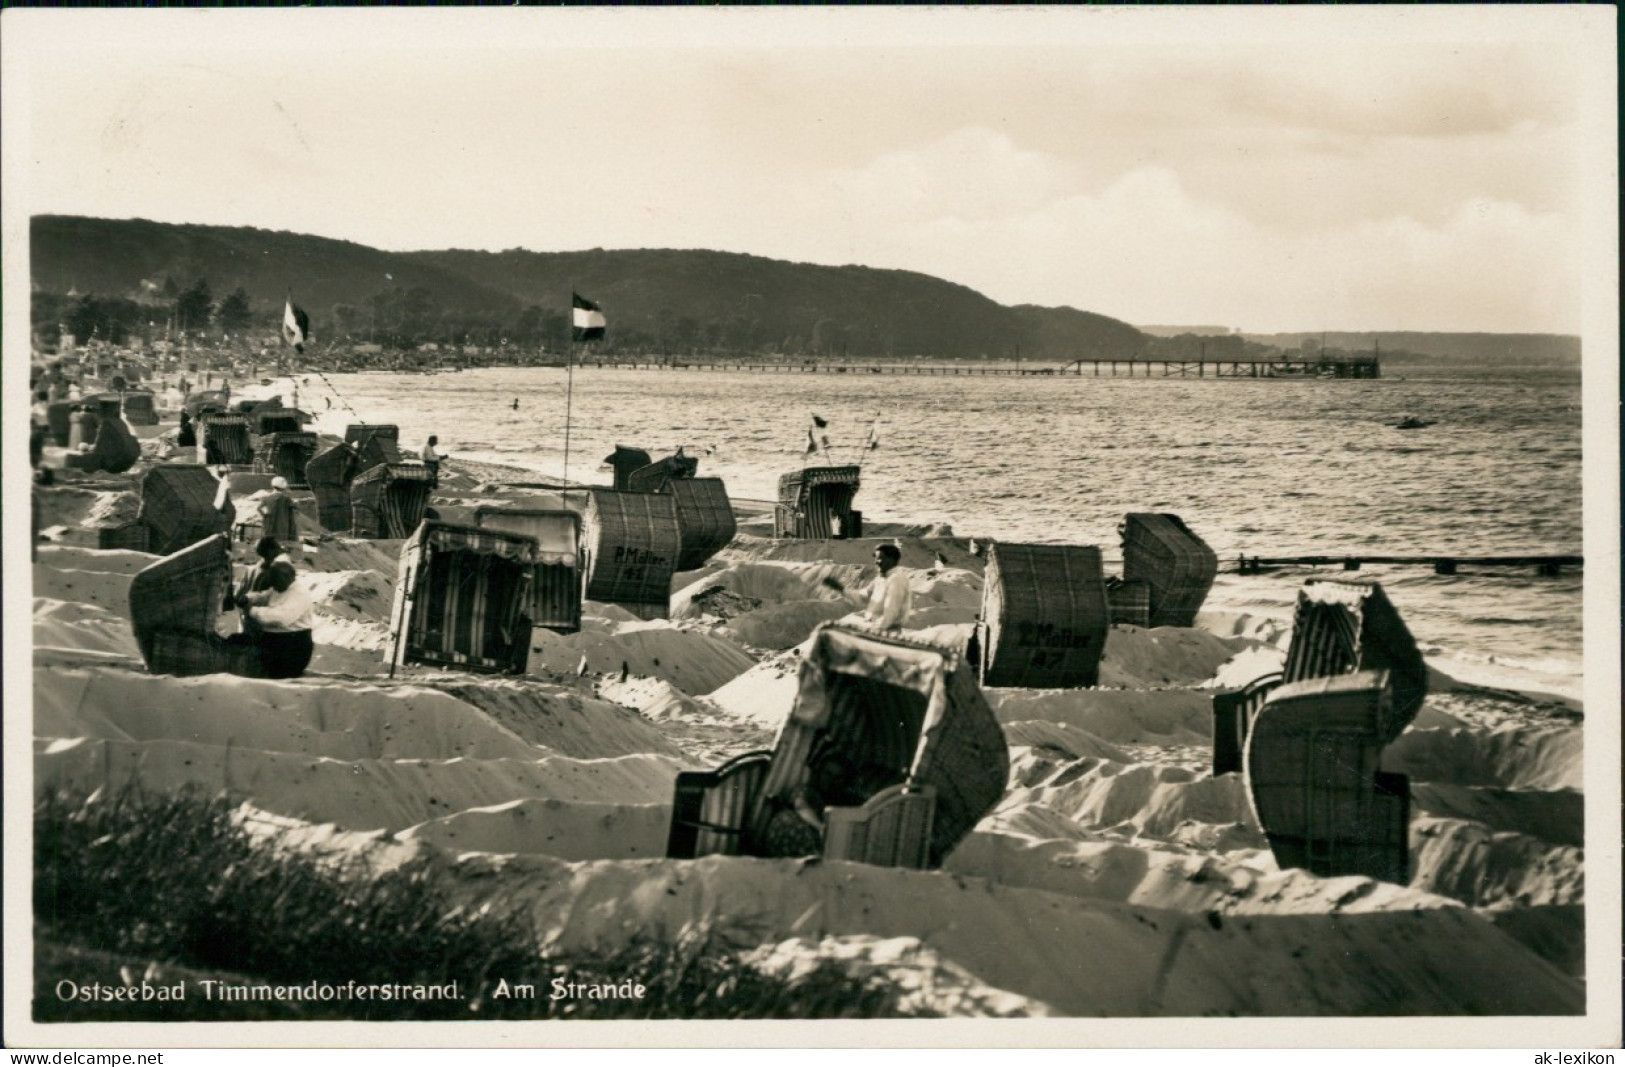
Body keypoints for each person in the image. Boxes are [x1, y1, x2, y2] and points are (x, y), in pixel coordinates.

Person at [234, 561, 314, 679]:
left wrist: (251, 610)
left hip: (291, 647)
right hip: (275, 641)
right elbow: (264, 596)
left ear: (287, 577)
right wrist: (248, 598)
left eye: (274, 580)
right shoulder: (280, 586)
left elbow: (281, 618)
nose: (272, 584)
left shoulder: (299, 594)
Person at [821, 542, 912, 631]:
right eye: (876, 558)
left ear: (891, 559)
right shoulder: (880, 579)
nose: (876, 562)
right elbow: (863, 597)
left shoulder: (897, 579)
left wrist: (874, 631)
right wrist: (841, 589)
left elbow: (891, 613)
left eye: (880, 558)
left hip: (886, 632)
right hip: (874, 628)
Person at [259, 475, 299, 557]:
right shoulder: (286, 498)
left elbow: (259, 508)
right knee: (282, 541)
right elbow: (295, 506)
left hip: (269, 524)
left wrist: (265, 515)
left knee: (271, 539)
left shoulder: (267, 497)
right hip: (282, 524)